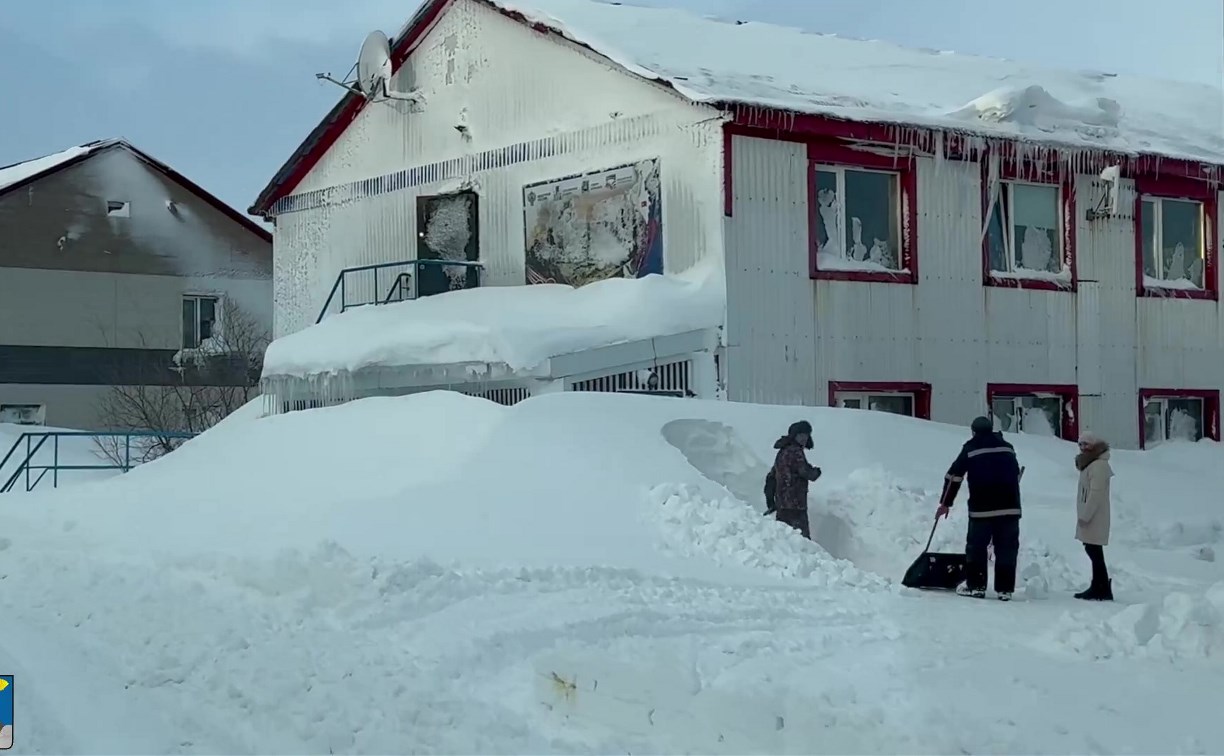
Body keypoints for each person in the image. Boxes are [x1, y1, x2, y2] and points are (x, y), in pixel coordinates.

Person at [936, 416, 1023, 601]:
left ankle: (977, 587)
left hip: (982, 509)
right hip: (1010, 508)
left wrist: (945, 503)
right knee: (1007, 548)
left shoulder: (971, 448)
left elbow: (954, 476)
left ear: (973, 431)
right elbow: (1014, 472)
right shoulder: (1007, 447)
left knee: (976, 547)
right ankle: (1005, 590)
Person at [1074, 431, 1114, 601]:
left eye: (1086, 444)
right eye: (1080, 444)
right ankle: (1099, 585)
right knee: (1093, 549)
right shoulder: (1091, 463)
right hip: (1091, 515)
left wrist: (1085, 515)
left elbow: (1095, 494)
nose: (1083, 448)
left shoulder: (1098, 465)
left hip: (1094, 516)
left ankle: (1101, 586)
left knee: (1094, 550)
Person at [770, 420, 822, 539]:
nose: (804, 438)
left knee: (784, 540)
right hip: (795, 504)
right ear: (794, 436)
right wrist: (816, 472)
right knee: (802, 541)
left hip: (782, 503)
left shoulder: (782, 451)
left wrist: (772, 499)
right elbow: (805, 472)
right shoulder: (795, 451)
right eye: (801, 435)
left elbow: (772, 476)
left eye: (806, 435)